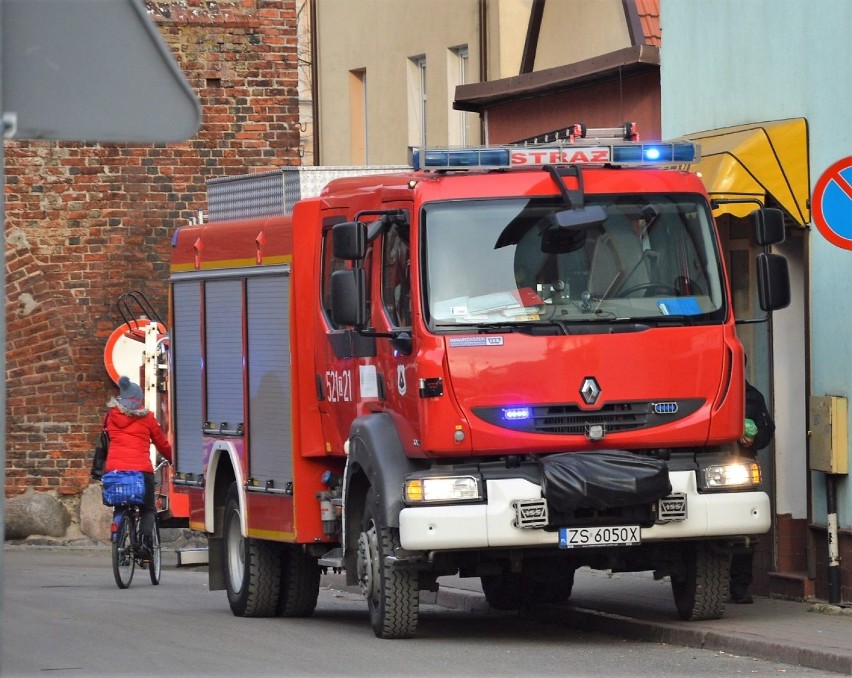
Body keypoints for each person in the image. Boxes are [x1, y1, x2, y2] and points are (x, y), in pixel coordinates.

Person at [103, 376, 173, 560]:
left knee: (120, 505)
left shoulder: (110, 416)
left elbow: (105, 438)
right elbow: (162, 443)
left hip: (115, 470)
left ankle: (120, 545)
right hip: (141, 471)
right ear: (138, 399)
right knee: (148, 509)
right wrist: (173, 459)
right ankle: (143, 544)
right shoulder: (147, 418)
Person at [729, 379, 776, 604]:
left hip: (741, 467)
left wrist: (753, 439)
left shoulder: (751, 396)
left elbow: (767, 429)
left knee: (743, 532)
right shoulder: (702, 388)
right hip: (705, 463)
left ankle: (739, 587)